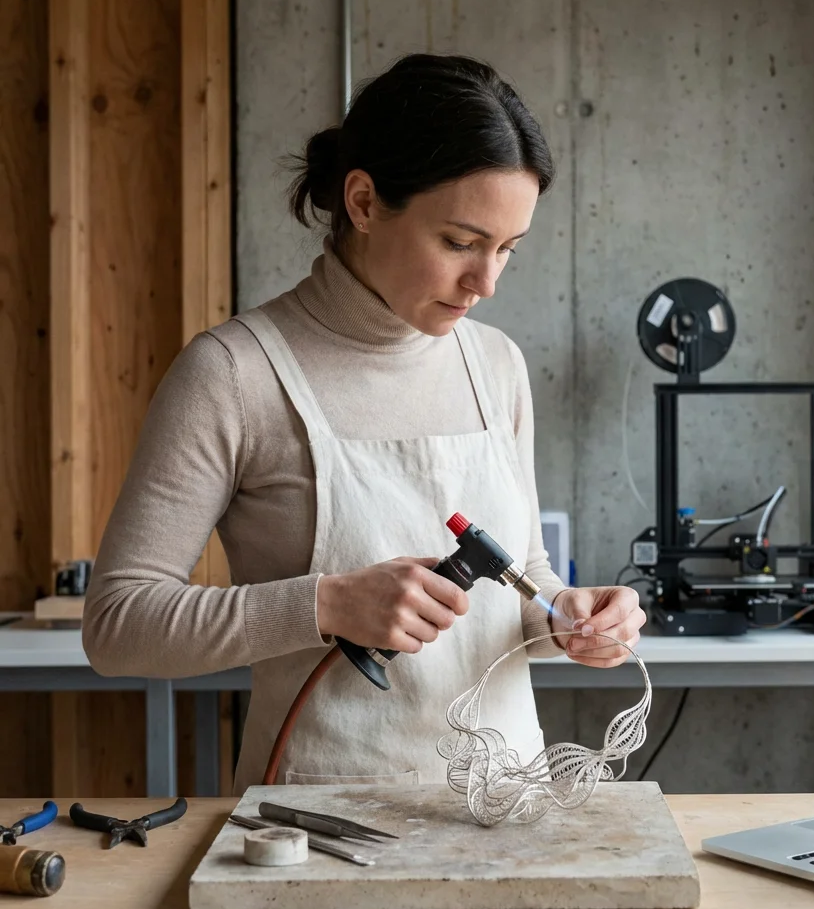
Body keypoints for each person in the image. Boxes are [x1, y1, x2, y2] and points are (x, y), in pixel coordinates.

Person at [83, 54, 646, 792]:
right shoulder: (234, 375)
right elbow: (118, 627)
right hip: (319, 827)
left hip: (506, 811)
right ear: (363, 201)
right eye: (460, 243)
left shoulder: (496, 366)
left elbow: (520, 579)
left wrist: (565, 617)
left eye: (508, 249)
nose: (487, 283)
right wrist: (325, 605)